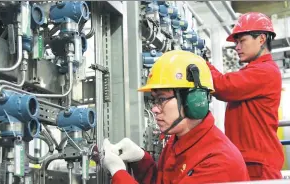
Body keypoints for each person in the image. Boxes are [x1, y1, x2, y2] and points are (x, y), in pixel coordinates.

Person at [102, 50, 250, 184]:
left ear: (192, 100)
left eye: (161, 99)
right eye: (153, 100)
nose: (154, 109)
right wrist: (142, 160)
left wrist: (119, 173)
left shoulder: (218, 162)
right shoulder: (179, 139)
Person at [206, 12, 284, 180]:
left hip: (258, 164)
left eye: (242, 41)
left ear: (262, 39)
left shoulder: (265, 71)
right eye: (236, 42)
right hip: (249, 160)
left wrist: (200, 64)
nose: (237, 47)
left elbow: (223, 86)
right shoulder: (254, 71)